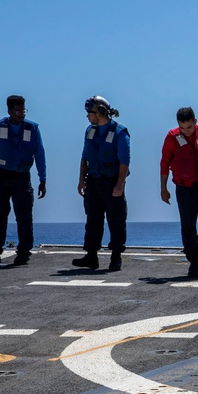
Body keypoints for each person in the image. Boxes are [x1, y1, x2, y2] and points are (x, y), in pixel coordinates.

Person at [0, 95, 47, 266]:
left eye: (23, 110)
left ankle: (24, 253)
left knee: (24, 216)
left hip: (22, 177)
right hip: (0, 177)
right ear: (9, 111)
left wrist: (43, 179)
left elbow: (40, 154)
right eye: (17, 111)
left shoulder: (32, 129)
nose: (21, 114)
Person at [160, 107, 198, 278]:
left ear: (195, 121)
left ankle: (195, 255)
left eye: (189, 127)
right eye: (182, 128)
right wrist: (163, 188)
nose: (186, 131)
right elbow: (164, 163)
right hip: (184, 189)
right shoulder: (172, 137)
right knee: (188, 227)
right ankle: (194, 264)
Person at [73, 96, 130, 272]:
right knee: (92, 220)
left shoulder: (120, 132)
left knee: (116, 220)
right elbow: (84, 157)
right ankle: (91, 256)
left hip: (112, 182)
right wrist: (81, 180)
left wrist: (120, 184)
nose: (87, 116)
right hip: (93, 182)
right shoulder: (90, 131)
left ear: (100, 112)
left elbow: (124, 161)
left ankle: (116, 257)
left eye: (89, 112)